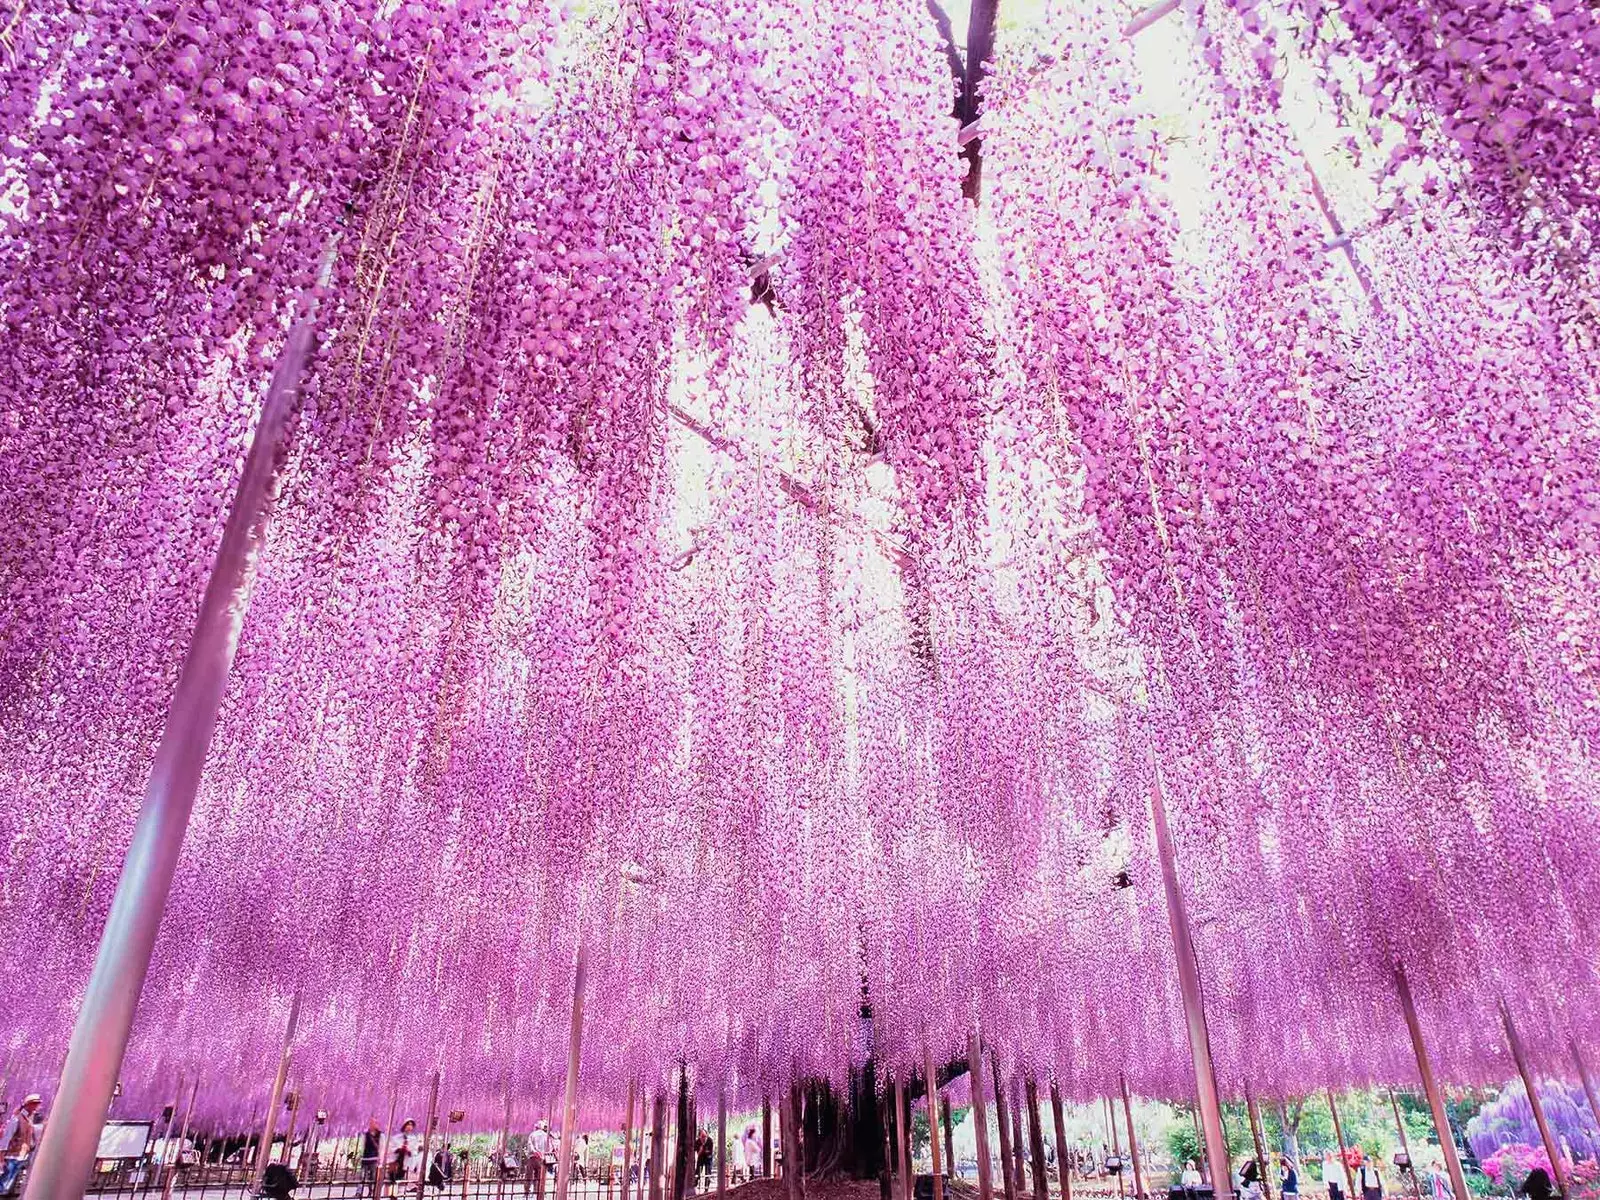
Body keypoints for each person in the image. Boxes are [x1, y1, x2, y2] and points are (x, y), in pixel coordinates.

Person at [0, 1096, 43, 1196]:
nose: (37, 1106)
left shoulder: (28, 1119)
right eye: (34, 1103)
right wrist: (1, 1156)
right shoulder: (16, 1119)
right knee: (5, 1182)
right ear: (27, 1105)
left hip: (22, 1155)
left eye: (37, 1104)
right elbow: (6, 1138)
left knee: (10, 1183)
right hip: (12, 1156)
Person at [530, 1121, 555, 1200]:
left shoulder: (532, 1134)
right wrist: (545, 1153)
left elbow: (530, 1145)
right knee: (541, 1175)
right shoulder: (546, 1136)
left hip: (533, 1157)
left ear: (536, 1127)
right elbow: (550, 1148)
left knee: (531, 1175)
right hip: (542, 1158)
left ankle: (529, 1191)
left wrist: (535, 1152)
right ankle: (540, 1190)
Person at [360, 1119, 383, 1200]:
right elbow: (363, 1145)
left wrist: (380, 1158)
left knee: (372, 1177)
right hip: (365, 1158)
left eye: (374, 1123)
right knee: (362, 1176)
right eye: (371, 1123)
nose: (372, 1124)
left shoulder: (380, 1135)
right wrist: (361, 1156)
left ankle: (371, 1191)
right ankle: (359, 1192)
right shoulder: (366, 1134)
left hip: (374, 1158)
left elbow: (381, 1147)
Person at [391, 1120, 419, 1187]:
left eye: (411, 1125)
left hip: (406, 1163)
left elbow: (415, 1152)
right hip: (396, 1162)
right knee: (393, 1180)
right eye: (408, 1124)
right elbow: (391, 1148)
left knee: (402, 1181)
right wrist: (399, 1149)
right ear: (404, 1126)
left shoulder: (414, 1139)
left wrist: (408, 1151)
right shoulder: (396, 1137)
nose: (409, 1127)